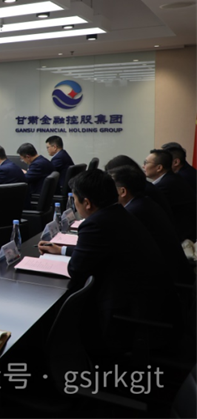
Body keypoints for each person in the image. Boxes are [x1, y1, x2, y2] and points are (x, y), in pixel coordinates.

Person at [39, 170, 174, 350]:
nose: (76, 206)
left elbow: (77, 271)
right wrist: (62, 250)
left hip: (133, 313)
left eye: (76, 200)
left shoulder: (95, 223)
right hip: (155, 302)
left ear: (87, 203)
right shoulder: (118, 213)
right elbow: (103, 250)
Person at [110, 166, 192, 285]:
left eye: (109, 188)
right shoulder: (143, 202)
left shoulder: (133, 212)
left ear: (122, 191)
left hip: (165, 281)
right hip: (173, 272)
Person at [143, 149, 197, 242]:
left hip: (183, 237)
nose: (143, 166)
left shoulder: (166, 185)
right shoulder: (171, 178)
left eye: (146, 163)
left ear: (159, 168)